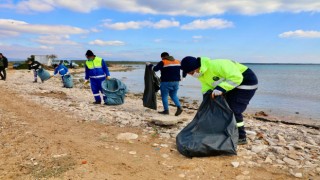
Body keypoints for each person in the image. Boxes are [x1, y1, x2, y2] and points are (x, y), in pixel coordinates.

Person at [180, 56, 258, 145]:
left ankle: (241, 137)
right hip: (232, 86)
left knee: (233, 109)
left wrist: (221, 88)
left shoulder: (217, 65)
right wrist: (206, 98)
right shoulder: (202, 74)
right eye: (189, 74)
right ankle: (227, 131)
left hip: (246, 83)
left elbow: (236, 78)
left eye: (191, 72)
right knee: (222, 107)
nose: (191, 75)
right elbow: (207, 86)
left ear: (196, 67)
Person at [147, 52, 183, 116]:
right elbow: (183, 69)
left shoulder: (163, 62)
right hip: (176, 82)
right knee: (174, 95)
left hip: (166, 82)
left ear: (163, 57)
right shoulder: (177, 61)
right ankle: (179, 107)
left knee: (164, 96)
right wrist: (183, 77)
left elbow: (155, 69)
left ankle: (166, 110)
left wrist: (149, 65)